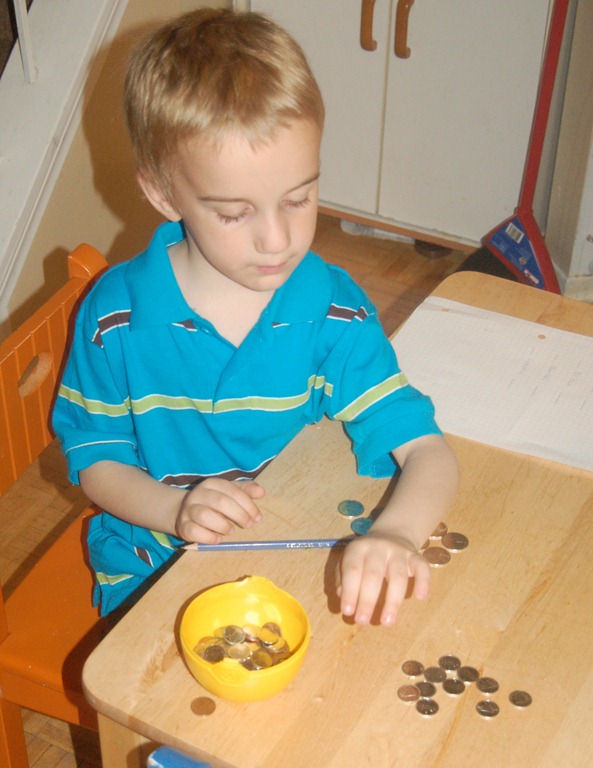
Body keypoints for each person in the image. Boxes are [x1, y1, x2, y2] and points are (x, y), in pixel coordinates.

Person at [53, 8, 459, 624]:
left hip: (288, 544)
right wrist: (175, 510)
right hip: (152, 562)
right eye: (234, 213)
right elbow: (98, 460)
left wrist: (398, 532)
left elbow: (427, 450)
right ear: (163, 193)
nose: (277, 240)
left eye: (299, 199)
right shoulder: (114, 319)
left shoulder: (333, 311)